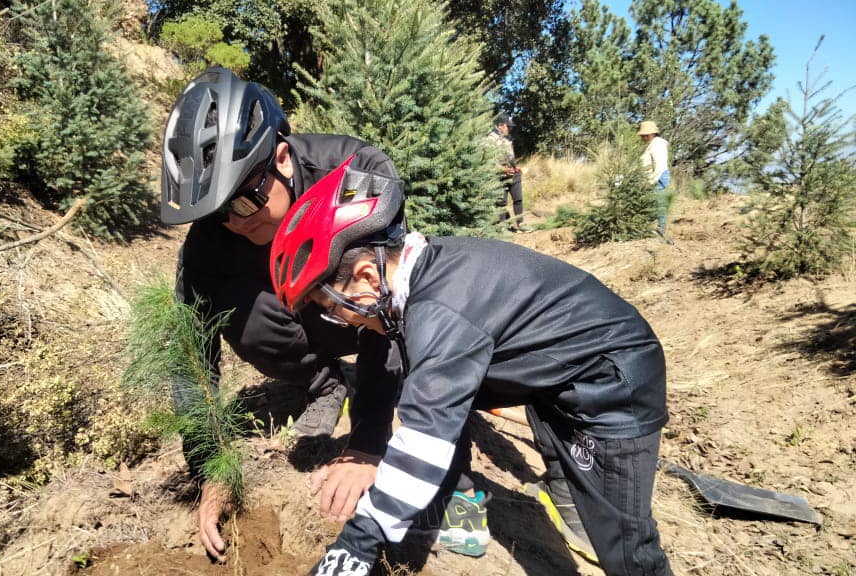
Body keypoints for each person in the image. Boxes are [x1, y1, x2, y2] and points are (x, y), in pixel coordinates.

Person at [269, 159, 673, 576]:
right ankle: (469, 497)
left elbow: (425, 438)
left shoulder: (441, 312)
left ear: (367, 276)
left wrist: (354, 548)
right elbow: (433, 402)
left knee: (626, 548)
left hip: (610, 383)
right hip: (555, 367)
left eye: (334, 309)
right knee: (427, 387)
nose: (345, 321)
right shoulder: (422, 273)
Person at [161, 67, 402, 562]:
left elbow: (390, 309)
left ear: (283, 158)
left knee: (388, 312)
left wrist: (368, 444)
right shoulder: (214, 236)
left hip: (358, 318)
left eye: (245, 200)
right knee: (238, 314)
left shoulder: (359, 176)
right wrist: (212, 469)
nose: (235, 222)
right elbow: (190, 358)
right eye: (217, 213)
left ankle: (368, 391)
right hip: (301, 322)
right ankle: (326, 382)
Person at [486, 114, 532, 232]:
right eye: (508, 126)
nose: (510, 129)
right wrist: (503, 170)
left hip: (514, 173)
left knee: (518, 199)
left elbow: (510, 158)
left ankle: (520, 225)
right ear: (500, 126)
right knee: (501, 202)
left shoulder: (508, 138)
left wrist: (516, 168)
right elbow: (488, 161)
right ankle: (502, 228)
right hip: (500, 175)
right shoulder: (489, 139)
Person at [638, 120, 672, 241]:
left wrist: (651, 181)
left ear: (650, 134)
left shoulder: (658, 145)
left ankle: (660, 230)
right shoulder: (653, 144)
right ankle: (654, 230)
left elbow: (659, 165)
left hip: (657, 177)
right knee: (655, 203)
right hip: (655, 177)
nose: (642, 138)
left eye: (644, 135)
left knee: (657, 204)